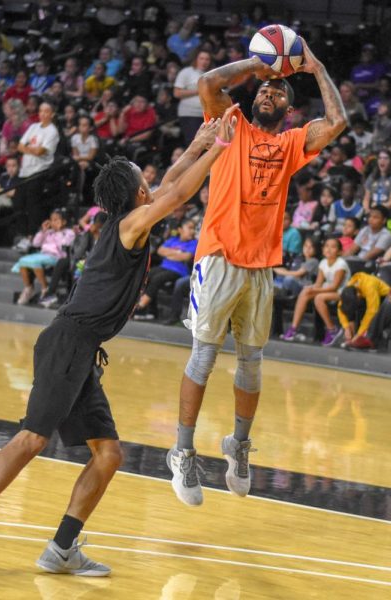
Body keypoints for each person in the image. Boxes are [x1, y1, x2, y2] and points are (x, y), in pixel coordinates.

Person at [0, 109, 237, 579]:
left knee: (109, 454)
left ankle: (61, 549)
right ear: (138, 193)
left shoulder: (129, 219)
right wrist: (219, 150)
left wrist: (199, 144)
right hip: (68, 342)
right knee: (32, 437)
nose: (152, 183)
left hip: (81, 349)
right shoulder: (131, 225)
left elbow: (170, 185)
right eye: (146, 180)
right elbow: (178, 193)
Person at [168, 38, 347, 506]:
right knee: (204, 356)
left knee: (252, 362)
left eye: (280, 91)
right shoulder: (231, 124)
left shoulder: (291, 144)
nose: (269, 93)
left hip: (261, 266)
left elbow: (338, 121)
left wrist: (316, 65)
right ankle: (182, 451)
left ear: (289, 108)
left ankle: (238, 446)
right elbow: (208, 82)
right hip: (218, 258)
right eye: (264, 89)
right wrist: (262, 61)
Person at [281, 237, 351, 345]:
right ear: (323, 249)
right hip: (327, 288)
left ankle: (332, 330)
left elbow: (335, 287)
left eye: (333, 247)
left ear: (340, 251)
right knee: (305, 292)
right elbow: (319, 283)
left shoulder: (341, 264)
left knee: (319, 298)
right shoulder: (323, 262)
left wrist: (315, 289)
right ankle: (293, 329)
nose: (329, 249)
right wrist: (311, 288)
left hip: (343, 291)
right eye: (326, 246)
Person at [13, 101, 59, 250]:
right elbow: (19, 146)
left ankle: (31, 236)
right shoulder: (33, 127)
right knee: (18, 203)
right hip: (24, 171)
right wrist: (32, 149)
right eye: (41, 111)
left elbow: (41, 152)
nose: (43, 114)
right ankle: (22, 235)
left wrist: (28, 148)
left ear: (52, 114)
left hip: (39, 171)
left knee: (33, 206)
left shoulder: (52, 131)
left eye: (46, 111)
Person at [134, 218, 198, 319]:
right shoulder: (173, 240)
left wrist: (169, 253)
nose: (192, 231)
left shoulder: (194, 243)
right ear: (180, 229)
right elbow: (160, 251)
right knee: (146, 275)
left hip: (179, 271)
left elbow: (186, 257)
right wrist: (178, 253)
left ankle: (140, 307)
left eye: (193, 228)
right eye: (189, 228)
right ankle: (151, 312)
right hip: (164, 267)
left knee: (157, 279)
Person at [13, 208, 76, 305]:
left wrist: (59, 232)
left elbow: (65, 244)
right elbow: (36, 244)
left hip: (57, 257)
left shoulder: (69, 232)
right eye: (51, 220)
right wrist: (43, 231)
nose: (53, 222)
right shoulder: (48, 232)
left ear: (63, 222)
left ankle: (45, 289)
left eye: (56, 220)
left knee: (34, 262)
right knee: (22, 261)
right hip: (43, 255)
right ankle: (29, 288)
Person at [174, 50, 212, 145]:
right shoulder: (186, 72)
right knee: (194, 143)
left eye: (207, 59)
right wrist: (198, 91)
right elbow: (177, 93)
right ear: (196, 59)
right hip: (190, 113)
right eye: (201, 58)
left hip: (207, 114)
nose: (204, 61)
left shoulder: (212, 74)